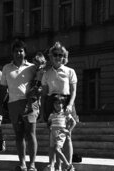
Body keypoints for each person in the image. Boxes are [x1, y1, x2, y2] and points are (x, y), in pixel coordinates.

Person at [0, 39, 38, 171]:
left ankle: (32, 164)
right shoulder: (6, 68)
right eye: (16, 51)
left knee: (31, 134)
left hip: (29, 104)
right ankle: (22, 164)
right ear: (12, 53)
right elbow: (3, 89)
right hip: (13, 104)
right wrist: (0, 105)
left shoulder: (32, 67)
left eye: (21, 51)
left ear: (25, 53)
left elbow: (38, 84)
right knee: (19, 134)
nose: (18, 53)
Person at [41, 42, 79, 171]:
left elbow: (73, 91)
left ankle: (69, 165)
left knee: (67, 135)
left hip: (66, 102)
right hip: (52, 103)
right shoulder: (46, 74)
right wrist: (42, 111)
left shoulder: (70, 71)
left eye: (60, 55)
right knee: (52, 136)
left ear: (64, 57)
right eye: (55, 54)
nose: (58, 57)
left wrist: (70, 104)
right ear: (50, 57)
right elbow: (44, 95)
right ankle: (52, 165)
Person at [46, 95, 76, 171]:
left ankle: (67, 165)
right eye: (55, 103)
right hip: (53, 134)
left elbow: (73, 122)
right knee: (53, 149)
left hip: (60, 134)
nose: (57, 105)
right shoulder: (51, 115)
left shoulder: (65, 114)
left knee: (57, 149)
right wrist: (49, 128)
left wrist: (68, 131)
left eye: (59, 103)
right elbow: (48, 123)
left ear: (63, 104)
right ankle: (56, 167)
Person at [24, 52, 47, 118]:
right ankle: (37, 111)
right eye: (35, 64)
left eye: (38, 64)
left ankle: (30, 109)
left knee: (29, 95)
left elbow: (41, 81)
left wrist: (38, 87)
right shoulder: (37, 70)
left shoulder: (42, 71)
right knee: (37, 100)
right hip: (37, 85)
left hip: (39, 86)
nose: (36, 65)